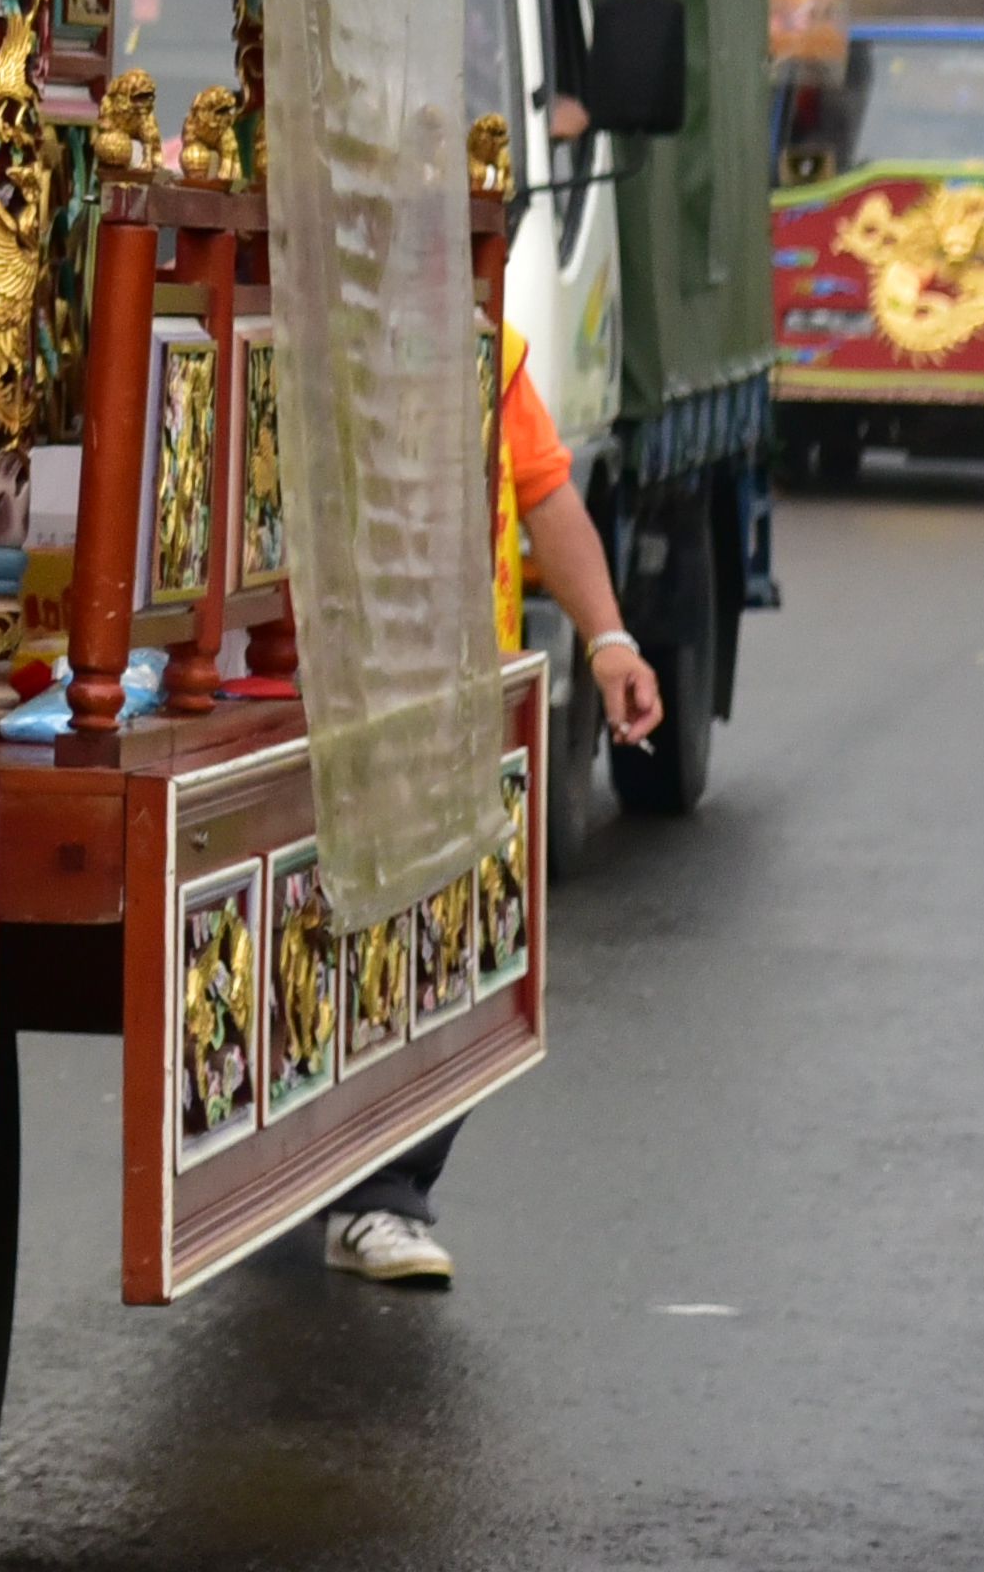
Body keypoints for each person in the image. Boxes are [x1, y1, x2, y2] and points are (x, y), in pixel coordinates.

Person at [318, 315, 668, 1289]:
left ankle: (382, 1188)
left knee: (463, 949)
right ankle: (348, 1183)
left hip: (451, 699)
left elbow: (545, 490)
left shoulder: (481, 349)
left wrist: (607, 642)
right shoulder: (299, 322)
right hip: (324, 694)